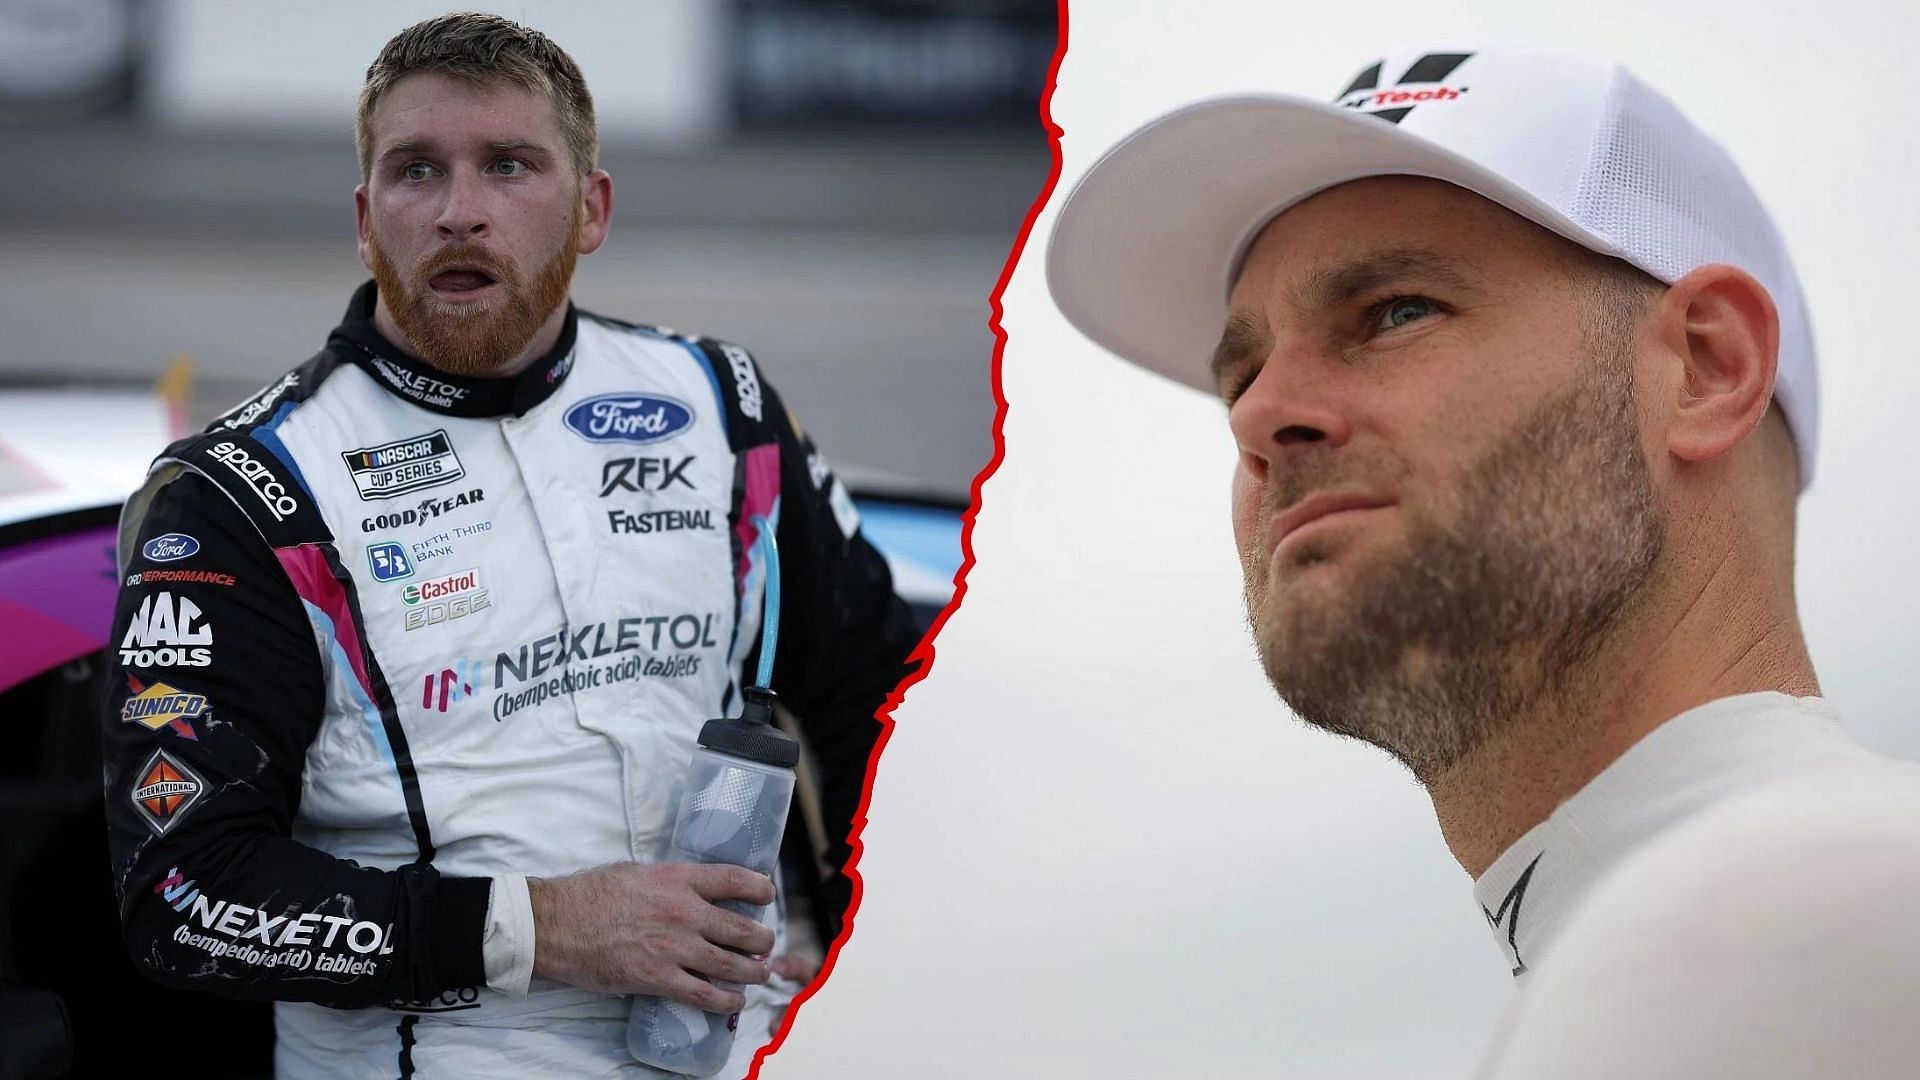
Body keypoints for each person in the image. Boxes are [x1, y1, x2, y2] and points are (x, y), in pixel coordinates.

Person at [1047, 47, 1920, 1075]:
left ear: (1708, 369)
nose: (1260, 413)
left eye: (1395, 312)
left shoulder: (1802, 918)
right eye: (1241, 372)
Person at [102, 13, 919, 1078]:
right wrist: (552, 928)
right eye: (415, 172)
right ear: (365, 219)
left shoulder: (721, 408)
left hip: (740, 1048)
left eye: (509, 167)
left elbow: (896, 715)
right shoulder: (246, 495)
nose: (458, 213)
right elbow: (186, 895)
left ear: (593, 209)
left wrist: (893, 963)